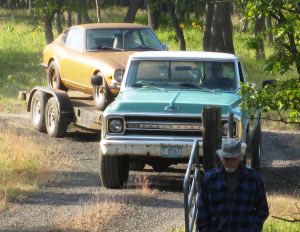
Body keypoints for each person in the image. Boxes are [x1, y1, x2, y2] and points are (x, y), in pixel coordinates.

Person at [196, 138, 269, 231]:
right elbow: (202, 211)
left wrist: (254, 228)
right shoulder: (209, 179)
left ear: (240, 157)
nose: (229, 162)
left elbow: (263, 210)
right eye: (226, 158)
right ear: (221, 157)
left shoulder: (254, 178)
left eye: (233, 158)